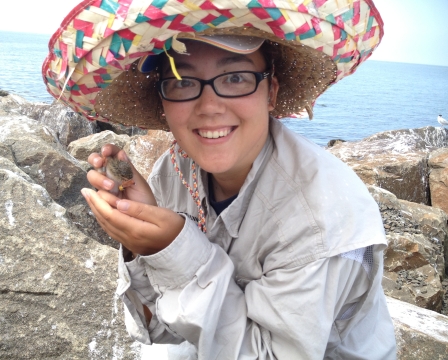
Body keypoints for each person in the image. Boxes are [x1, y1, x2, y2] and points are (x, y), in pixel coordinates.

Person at [43, 0, 396, 358]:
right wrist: (140, 236)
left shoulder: (322, 215)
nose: (209, 106)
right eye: (182, 81)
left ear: (271, 92)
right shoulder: (173, 170)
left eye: (236, 78)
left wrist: (173, 252)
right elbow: (160, 328)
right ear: (163, 100)